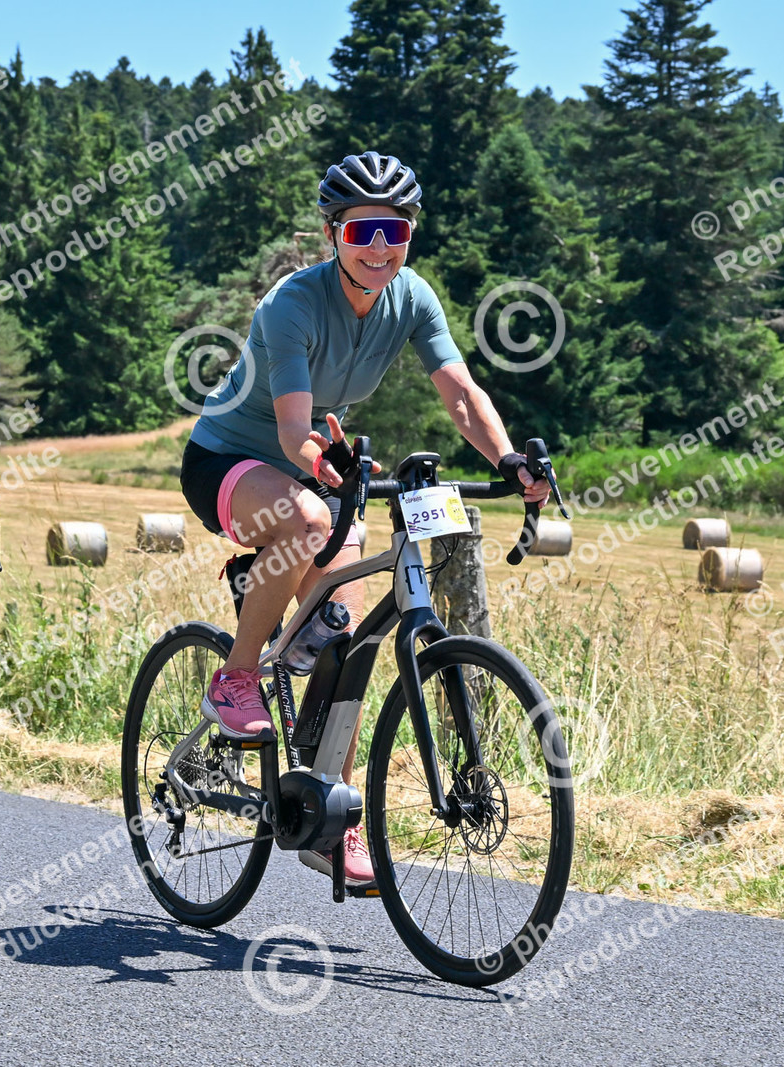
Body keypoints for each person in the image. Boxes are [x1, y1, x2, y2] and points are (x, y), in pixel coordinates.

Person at [178, 151, 551, 888]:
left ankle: (333, 819)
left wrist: (508, 458)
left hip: (318, 466)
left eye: (394, 230)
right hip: (229, 458)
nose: (379, 247)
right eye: (361, 231)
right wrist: (323, 465)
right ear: (332, 234)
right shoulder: (292, 304)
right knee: (306, 522)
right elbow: (293, 432)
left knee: (345, 641)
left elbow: (462, 394)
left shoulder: (412, 297)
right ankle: (237, 676)